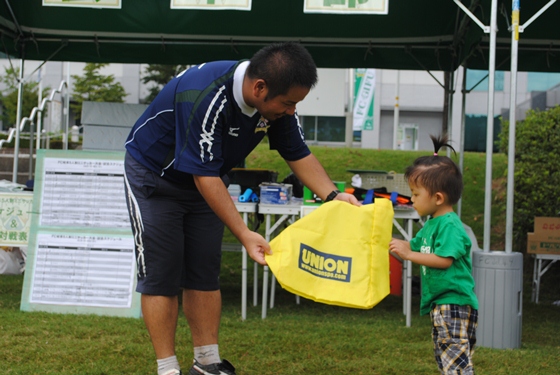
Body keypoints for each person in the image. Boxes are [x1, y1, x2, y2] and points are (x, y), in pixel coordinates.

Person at [123, 42, 360, 375]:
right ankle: (168, 368)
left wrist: (333, 196)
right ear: (259, 88)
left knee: (203, 271)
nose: (291, 111)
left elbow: (297, 153)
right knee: (161, 274)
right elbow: (203, 176)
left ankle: (206, 363)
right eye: (288, 103)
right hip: (155, 180)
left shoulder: (275, 103)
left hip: (207, 178)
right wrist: (245, 233)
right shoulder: (204, 94)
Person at [388, 134, 479, 375]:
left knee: (456, 365)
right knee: (447, 361)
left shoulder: (449, 225)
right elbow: (411, 247)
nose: (412, 199)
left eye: (416, 194)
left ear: (438, 197)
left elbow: (444, 260)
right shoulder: (431, 224)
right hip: (441, 305)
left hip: (454, 304)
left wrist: (408, 255)